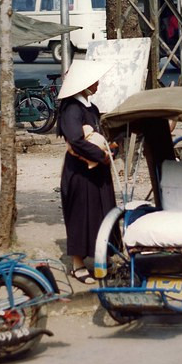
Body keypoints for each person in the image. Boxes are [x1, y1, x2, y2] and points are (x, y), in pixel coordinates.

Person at [56, 60, 116, 285]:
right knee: (81, 216)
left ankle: (103, 254)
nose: (98, 83)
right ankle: (78, 264)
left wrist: (109, 149)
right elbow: (76, 140)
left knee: (103, 210)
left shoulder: (91, 107)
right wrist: (101, 155)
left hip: (97, 171)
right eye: (94, 80)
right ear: (83, 84)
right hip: (80, 172)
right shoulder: (71, 108)